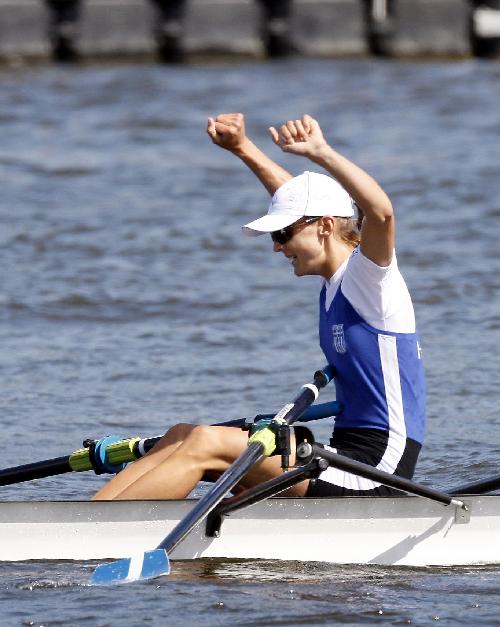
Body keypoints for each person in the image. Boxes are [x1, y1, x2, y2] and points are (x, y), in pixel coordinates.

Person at [93, 113, 426, 500]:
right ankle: (88, 518)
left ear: (325, 227)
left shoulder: (371, 281)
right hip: (339, 454)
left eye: (282, 234)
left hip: (376, 468)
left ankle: (87, 536)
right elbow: (302, 201)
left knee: (204, 441)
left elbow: (381, 213)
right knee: (180, 435)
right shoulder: (334, 277)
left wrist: (321, 153)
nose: (277, 246)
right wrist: (242, 148)